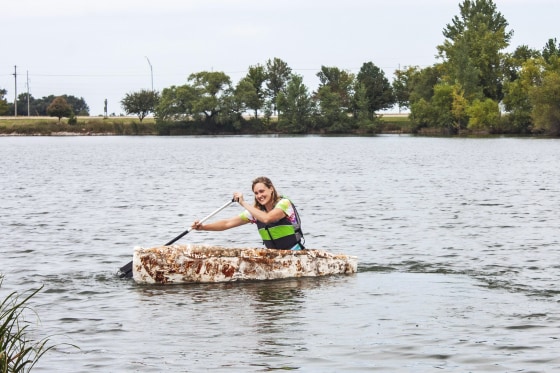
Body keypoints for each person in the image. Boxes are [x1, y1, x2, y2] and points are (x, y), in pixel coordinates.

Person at [191, 176, 304, 250]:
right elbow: (227, 223)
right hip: (274, 257)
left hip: (295, 254)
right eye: (256, 193)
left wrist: (243, 203)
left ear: (271, 189)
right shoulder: (256, 212)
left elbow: (268, 219)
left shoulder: (284, 203)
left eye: (262, 191)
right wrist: (203, 227)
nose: (259, 196)